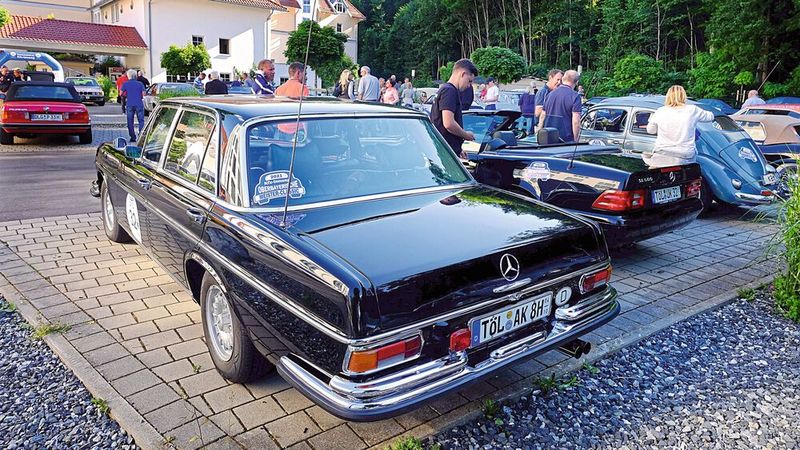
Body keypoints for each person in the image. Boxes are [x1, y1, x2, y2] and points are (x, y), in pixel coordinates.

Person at [644, 85, 715, 168]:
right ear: (684, 96)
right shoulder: (692, 110)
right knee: (686, 178)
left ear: (668, 96)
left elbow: (650, 131)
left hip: (663, 152)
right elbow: (711, 117)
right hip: (685, 154)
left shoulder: (660, 111)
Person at [430, 58, 478, 158]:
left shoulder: (444, 89)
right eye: (469, 81)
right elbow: (448, 123)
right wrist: (465, 135)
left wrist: (458, 148)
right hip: (445, 152)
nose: (469, 86)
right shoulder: (449, 91)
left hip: (443, 148)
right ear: (463, 74)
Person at [541, 69, 582, 143]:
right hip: (565, 140)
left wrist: (539, 132)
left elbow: (543, 116)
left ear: (563, 79)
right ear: (576, 82)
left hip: (548, 137)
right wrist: (576, 140)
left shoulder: (550, 94)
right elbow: (576, 122)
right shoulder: (575, 96)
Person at [120, 69, 146, 142]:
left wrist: (127, 94)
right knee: (141, 121)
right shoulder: (140, 83)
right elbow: (144, 94)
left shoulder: (125, 84)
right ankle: (141, 136)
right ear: (135, 76)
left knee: (130, 121)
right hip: (139, 104)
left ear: (128, 76)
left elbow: (121, 93)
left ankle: (133, 137)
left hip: (130, 104)